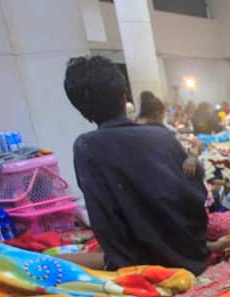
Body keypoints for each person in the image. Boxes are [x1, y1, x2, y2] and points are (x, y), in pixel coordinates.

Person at [64, 55, 209, 274]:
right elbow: (196, 197)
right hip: (193, 253)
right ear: (124, 97)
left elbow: (103, 217)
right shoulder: (161, 135)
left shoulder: (87, 146)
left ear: (81, 110)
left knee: (50, 261)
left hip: (141, 264)